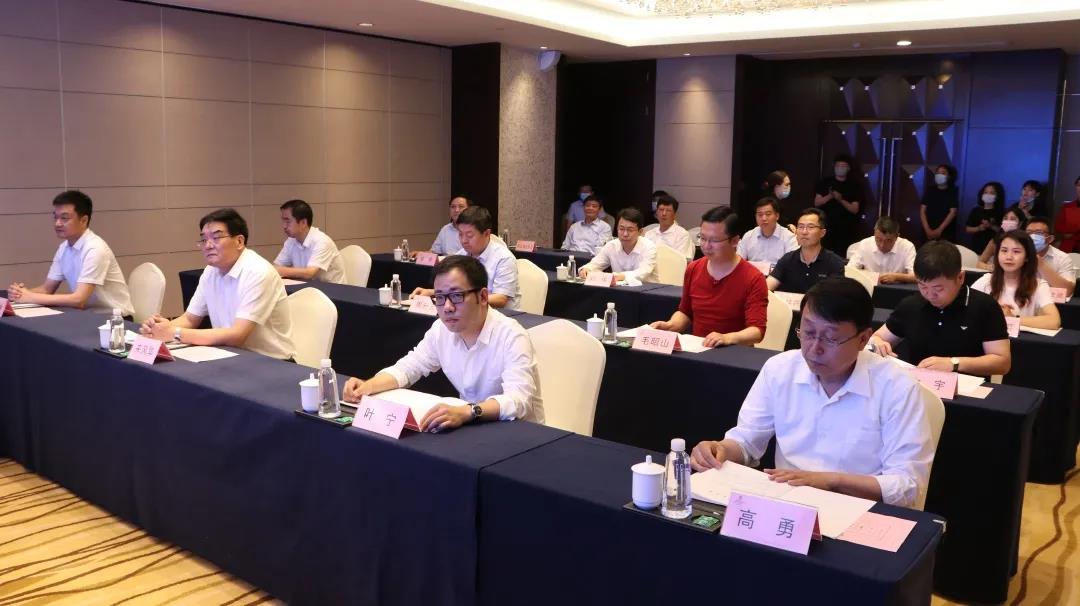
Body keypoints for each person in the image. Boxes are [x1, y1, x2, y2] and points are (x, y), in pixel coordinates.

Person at [689, 277, 935, 509]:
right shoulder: (780, 369)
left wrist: (830, 481)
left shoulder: (897, 387)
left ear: (863, 339)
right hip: (787, 504)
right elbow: (747, 440)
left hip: (858, 509)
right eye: (807, 333)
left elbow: (908, 484)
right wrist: (720, 449)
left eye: (830, 338)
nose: (814, 348)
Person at [343, 255, 543, 431]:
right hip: (473, 427)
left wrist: (469, 411)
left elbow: (518, 401)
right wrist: (368, 386)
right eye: (439, 297)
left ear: (483, 297)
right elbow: (409, 367)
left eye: (456, 296)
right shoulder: (441, 329)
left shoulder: (512, 336)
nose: (447, 307)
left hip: (520, 435)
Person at [140, 208, 295, 360]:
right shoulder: (210, 271)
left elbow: (237, 336)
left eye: (216, 237)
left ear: (239, 241)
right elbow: (190, 319)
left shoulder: (258, 272)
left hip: (272, 363)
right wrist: (159, 329)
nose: (208, 245)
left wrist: (174, 333)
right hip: (232, 356)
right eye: (204, 239)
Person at [870, 240, 1011, 377]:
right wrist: (878, 342)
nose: (929, 295)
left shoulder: (985, 307)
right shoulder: (911, 305)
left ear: (960, 277)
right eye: (922, 286)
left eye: (938, 288)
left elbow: (1002, 362)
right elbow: (878, 337)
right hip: (918, 385)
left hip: (966, 388)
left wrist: (954, 363)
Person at [650, 206, 767, 347]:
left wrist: (726, 338)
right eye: (703, 238)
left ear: (735, 241)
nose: (706, 246)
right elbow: (686, 312)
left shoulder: (753, 278)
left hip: (734, 353)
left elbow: (757, 331)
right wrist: (671, 325)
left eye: (714, 241)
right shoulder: (694, 269)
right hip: (698, 349)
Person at [7, 191, 133, 316]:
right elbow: (47, 289)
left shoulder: (95, 248)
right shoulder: (64, 248)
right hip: (88, 316)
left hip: (117, 319)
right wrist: (20, 293)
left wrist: (30, 297)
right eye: (55, 217)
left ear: (83, 220)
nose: (57, 223)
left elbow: (79, 300)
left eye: (64, 218)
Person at [412, 206, 520, 310]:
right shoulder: (462, 255)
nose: (464, 240)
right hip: (470, 313)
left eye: (469, 235)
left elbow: (501, 299)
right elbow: (454, 290)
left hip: (503, 316)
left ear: (487, 233)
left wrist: (465, 298)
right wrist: (431, 293)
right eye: (460, 234)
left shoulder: (504, 258)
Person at [972, 230, 1061, 329]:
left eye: (1016, 251)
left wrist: (1012, 318)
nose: (1009, 257)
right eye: (1004, 250)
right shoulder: (985, 281)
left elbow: (1054, 321)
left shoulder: (1038, 285)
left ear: (1027, 257)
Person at [767, 208, 846, 293]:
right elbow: (767, 287)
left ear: (822, 233)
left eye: (810, 227)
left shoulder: (834, 263)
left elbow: (836, 297)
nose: (804, 232)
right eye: (801, 227)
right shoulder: (787, 259)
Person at [272, 199, 346, 284]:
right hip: (310, 287)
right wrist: (276, 269)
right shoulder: (291, 241)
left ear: (303, 223)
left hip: (334, 290)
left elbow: (309, 273)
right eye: (283, 221)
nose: (284, 226)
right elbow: (277, 266)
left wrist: (281, 270)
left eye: (288, 221)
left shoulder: (322, 241)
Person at [580, 208, 658, 283]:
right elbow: (595, 264)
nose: (625, 234)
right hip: (619, 289)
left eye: (630, 230)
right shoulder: (611, 245)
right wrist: (587, 269)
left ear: (640, 232)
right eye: (621, 229)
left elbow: (643, 273)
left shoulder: (649, 247)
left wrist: (620, 276)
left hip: (648, 289)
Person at [813, 154, 861, 254]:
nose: (840, 168)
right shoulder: (825, 182)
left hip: (846, 228)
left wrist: (840, 199)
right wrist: (830, 196)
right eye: (838, 166)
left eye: (843, 166)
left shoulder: (854, 185)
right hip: (827, 226)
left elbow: (855, 209)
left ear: (848, 168)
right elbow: (817, 202)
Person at [848, 216, 916, 284]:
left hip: (898, 288)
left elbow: (916, 277)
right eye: (879, 239)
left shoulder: (907, 247)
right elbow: (849, 271)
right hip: (870, 287)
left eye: (888, 240)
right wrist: (869, 275)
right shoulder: (865, 244)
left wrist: (896, 277)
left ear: (897, 237)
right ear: (874, 233)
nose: (882, 245)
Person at [736, 197, 798, 267]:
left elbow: (792, 265)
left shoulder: (789, 237)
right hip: (753, 273)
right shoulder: (748, 236)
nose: (764, 218)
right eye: (760, 215)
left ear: (777, 216)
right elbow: (738, 262)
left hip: (778, 273)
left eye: (768, 214)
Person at [1026, 216, 1077, 297]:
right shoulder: (1017, 254)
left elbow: (1067, 291)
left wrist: (1040, 263)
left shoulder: (1062, 258)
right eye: (1029, 233)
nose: (1032, 237)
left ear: (1050, 239)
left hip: (1052, 301)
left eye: (1038, 233)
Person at [644, 194, 694, 259]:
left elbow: (682, 260)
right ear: (656, 213)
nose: (664, 213)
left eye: (668, 210)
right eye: (661, 209)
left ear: (674, 214)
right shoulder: (649, 234)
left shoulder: (683, 235)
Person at [920, 164, 959, 243]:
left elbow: (953, 212)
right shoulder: (930, 190)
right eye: (937, 173)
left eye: (943, 173)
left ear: (949, 176)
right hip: (928, 229)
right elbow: (922, 210)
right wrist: (927, 229)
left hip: (946, 232)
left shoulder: (953, 191)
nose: (939, 175)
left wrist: (939, 230)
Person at [964, 181, 1006, 255]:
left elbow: (1003, 232)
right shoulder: (976, 210)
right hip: (976, 248)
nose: (988, 195)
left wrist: (990, 226)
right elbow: (967, 229)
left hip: (994, 250)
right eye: (985, 192)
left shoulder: (1001, 212)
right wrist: (978, 228)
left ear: (997, 196)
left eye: (992, 193)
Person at [1053, 176, 1080, 253]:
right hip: (1069, 247)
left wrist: (1072, 231)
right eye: (1079, 185)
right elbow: (1058, 227)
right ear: (1076, 187)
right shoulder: (1067, 206)